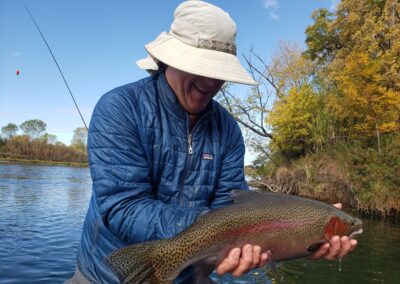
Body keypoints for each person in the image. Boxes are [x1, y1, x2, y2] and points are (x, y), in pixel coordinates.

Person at [67, 1, 357, 283]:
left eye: (219, 72)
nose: (210, 82)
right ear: (168, 60)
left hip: (191, 275)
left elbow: (232, 205)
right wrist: (216, 230)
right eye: (200, 66)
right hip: (104, 276)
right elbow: (124, 207)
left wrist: (302, 233)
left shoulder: (229, 130)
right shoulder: (120, 108)